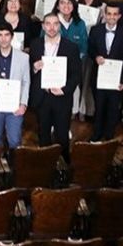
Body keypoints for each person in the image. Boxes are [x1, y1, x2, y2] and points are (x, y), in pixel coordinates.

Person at [29, 13, 81, 160]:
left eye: (55, 24)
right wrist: (34, 67)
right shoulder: (35, 44)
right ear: (43, 26)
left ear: (59, 26)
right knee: (43, 133)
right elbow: (28, 71)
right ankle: (45, 165)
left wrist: (64, 90)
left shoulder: (71, 47)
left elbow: (76, 75)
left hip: (61, 98)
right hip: (42, 97)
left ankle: (63, 166)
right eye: (48, 24)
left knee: (62, 134)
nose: (52, 27)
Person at [88, 5, 123, 141]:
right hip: (99, 78)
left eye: (115, 14)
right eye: (109, 14)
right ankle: (96, 134)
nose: (111, 17)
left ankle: (109, 136)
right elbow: (90, 49)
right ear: (104, 15)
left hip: (116, 80)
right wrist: (96, 57)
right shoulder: (95, 30)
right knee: (99, 107)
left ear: (119, 16)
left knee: (113, 109)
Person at [0, 22, 31, 151]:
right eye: (0, 35)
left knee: (14, 139)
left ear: (12, 36)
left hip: (14, 104)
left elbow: (26, 82)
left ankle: (14, 166)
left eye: (6, 35)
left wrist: (23, 103)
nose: (3, 38)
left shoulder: (24, 57)